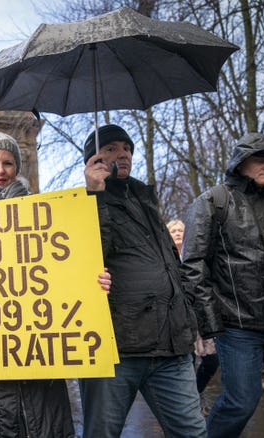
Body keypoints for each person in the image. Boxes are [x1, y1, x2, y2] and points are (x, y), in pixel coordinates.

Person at [0, 130, 111, 437]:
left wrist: (92, 281)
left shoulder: (47, 213)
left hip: (38, 375)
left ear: (18, 168)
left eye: (8, 162)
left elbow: (82, 257)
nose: (0, 170)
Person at [81, 124, 206, 437]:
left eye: (126, 147)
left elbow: (170, 266)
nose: (122, 154)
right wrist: (95, 197)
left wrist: (188, 318)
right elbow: (89, 255)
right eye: (110, 149)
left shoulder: (145, 201)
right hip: (116, 350)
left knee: (193, 432)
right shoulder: (83, 202)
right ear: (92, 160)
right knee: (102, 432)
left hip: (171, 346)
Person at [181, 132, 264, 437]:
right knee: (240, 403)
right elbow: (193, 266)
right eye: (261, 159)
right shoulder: (213, 202)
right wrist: (211, 323)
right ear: (241, 162)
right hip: (238, 326)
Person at [167, 219, 220, 415]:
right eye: (173, 230)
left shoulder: (196, 255)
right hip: (181, 318)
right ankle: (189, 405)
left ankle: (196, 392)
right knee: (187, 363)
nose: (178, 232)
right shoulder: (166, 257)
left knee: (212, 361)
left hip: (202, 315)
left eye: (181, 230)